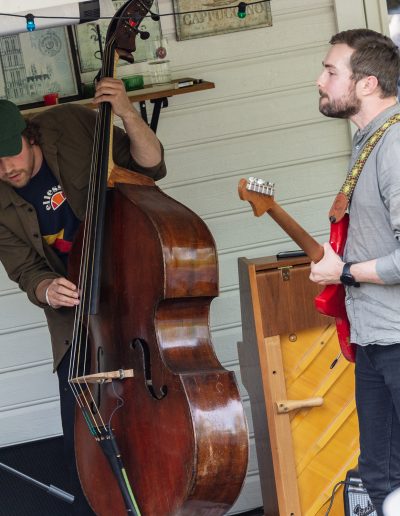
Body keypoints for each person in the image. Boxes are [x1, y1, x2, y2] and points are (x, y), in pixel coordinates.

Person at [0, 77, 166, 514]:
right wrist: (45, 288)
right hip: (78, 321)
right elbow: (24, 270)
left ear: (28, 134)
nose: (5, 168)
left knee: (160, 423)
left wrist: (128, 112)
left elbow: (150, 166)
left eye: (10, 153)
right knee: (83, 442)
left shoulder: (72, 124)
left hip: (134, 289)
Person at [309, 29, 400, 516]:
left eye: (330, 71)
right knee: (381, 476)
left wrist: (344, 272)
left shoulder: (396, 145)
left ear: (366, 84)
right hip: (375, 339)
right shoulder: (370, 139)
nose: (319, 80)